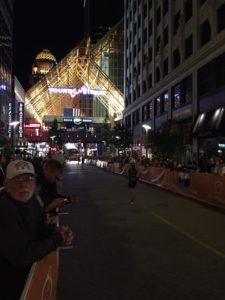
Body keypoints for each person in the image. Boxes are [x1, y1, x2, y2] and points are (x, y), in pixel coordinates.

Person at [0, 160, 74, 299]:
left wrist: (56, 232)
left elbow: (40, 228)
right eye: (17, 179)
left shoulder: (33, 200)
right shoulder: (5, 210)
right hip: (10, 284)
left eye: (28, 179)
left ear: (34, 182)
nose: (23, 184)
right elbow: (22, 256)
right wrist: (57, 239)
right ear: (7, 185)